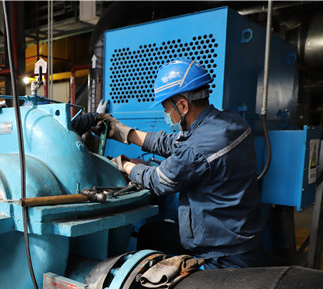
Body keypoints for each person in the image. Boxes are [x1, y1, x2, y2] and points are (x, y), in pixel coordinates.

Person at [97, 59, 264, 269]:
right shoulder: (230, 121)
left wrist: (125, 166)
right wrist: (123, 132)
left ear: (183, 105)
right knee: (151, 234)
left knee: (148, 247)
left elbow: (159, 180)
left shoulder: (198, 146)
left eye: (166, 108)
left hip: (221, 257)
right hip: (239, 238)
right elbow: (171, 142)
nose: (166, 114)